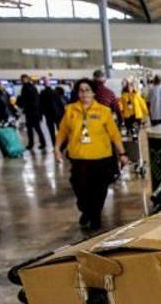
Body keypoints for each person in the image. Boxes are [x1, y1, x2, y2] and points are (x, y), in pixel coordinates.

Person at [55, 78, 128, 231]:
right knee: (79, 189)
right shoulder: (70, 110)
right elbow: (62, 131)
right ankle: (86, 210)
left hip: (101, 158)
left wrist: (122, 153)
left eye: (87, 90)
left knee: (99, 190)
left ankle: (95, 216)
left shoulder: (104, 111)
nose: (84, 93)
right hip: (79, 158)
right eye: (81, 90)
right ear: (77, 93)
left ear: (94, 92)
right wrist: (57, 149)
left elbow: (114, 134)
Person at [18, 74, 46, 150]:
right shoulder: (31, 87)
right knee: (33, 128)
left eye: (24, 79)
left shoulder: (28, 87)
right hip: (32, 112)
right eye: (22, 79)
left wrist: (24, 105)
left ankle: (36, 143)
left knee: (35, 128)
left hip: (32, 112)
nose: (23, 80)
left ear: (27, 79)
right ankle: (38, 143)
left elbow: (30, 100)